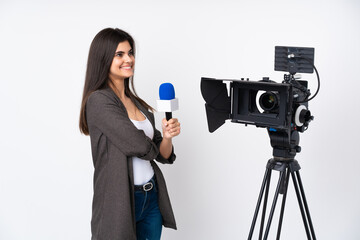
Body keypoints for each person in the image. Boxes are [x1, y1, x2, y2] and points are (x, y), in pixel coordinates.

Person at [79, 28, 180, 240]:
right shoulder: (99, 101)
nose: (129, 59)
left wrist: (167, 136)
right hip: (120, 201)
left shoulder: (137, 103)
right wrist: (153, 144)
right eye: (120, 54)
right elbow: (138, 145)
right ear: (104, 59)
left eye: (130, 52)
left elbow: (162, 154)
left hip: (151, 197)